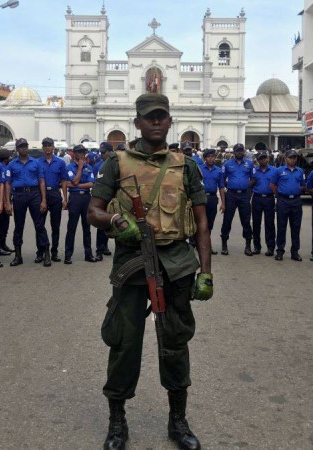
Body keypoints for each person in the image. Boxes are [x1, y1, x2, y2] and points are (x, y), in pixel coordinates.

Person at [87, 93, 212, 450]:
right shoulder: (116, 162)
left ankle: (178, 420)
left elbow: (202, 222)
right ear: (137, 122)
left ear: (170, 121)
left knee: (175, 342)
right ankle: (116, 421)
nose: (156, 122)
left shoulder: (185, 165)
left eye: (162, 116)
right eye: (149, 117)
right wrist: (114, 219)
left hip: (175, 263)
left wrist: (206, 272)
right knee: (124, 343)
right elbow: (92, 211)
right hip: (131, 263)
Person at [5, 138, 51, 267]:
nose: (23, 148)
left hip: (34, 194)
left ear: (28, 147)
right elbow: (7, 184)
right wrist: (7, 202)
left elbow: (42, 181)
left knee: (39, 225)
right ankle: (18, 256)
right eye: (20, 146)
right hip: (19, 195)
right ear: (17, 149)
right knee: (18, 226)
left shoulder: (36, 164)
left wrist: (43, 200)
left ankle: (46, 254)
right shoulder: (11, 165)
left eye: (25, 146)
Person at [63, 145, 98, 264]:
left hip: (86, 198)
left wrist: (76, 185)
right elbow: (75, 180)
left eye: (84, 152)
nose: (82, 154)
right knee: (71, 227)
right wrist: (80, 168)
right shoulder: (69, 167)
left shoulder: (89, 167)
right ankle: (68, 255)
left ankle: (88, 254)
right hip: (75, 198)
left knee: (87, 228)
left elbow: (91, 184)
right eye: (80, 152)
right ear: (75, 154)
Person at [270, 149, 306, 261]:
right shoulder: (279, 171)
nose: (293, 159)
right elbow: (272, 185)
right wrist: (279, 195)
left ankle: (295, 252)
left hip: (296, 201)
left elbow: (303, 185)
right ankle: (280, 251)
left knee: (296, 227)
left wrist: (295, 190)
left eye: (294, 157)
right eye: (290, 157)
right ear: (285, 159)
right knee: (281, 227)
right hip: (283, 201)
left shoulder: (300, 171)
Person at [220, 143, 254, 256]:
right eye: (238, 151)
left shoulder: (249, 164)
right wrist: (231, 185)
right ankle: (224, 245)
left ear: (244, 152)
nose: (240, 152)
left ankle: (248, 246)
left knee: (246, 220)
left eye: (241, 150)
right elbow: (222, 179)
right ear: (234, 152)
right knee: (227, 220)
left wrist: (246, 185)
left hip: (244, 195)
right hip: (231, 195)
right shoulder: (227, 164)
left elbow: (254, 178)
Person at [39, 137, 67, 262]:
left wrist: (65, 198)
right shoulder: (37, 162)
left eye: (49, 145)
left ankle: (54, 252)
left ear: (53, 147)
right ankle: (40, 251)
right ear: (43, 148)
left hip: (55, 194)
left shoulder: (60, 162)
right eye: (45, 145)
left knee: (55, 226)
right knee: (40, 225)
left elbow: (64, 181)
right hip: (41, 196)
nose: (48, 148)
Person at [250, 150, 277, 256]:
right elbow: (250, 184)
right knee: (256, 223)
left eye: (264, 158)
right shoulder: (254, 171)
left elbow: (277, 185)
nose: (263, 160)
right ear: (258, 160)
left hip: (269, 199)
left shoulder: (274, 171)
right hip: (257, 198)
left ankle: (270, 247)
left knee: (269, 223)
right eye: (260, 158)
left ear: (268, 158)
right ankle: (257, 247)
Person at [199, 148, 225, 255]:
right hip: (201, 198)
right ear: (205, 158)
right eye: (208, 157)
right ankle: (198, 245)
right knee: (200, 223)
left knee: (210, 224)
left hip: (213, 199)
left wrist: (223, 203)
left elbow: (221, 187)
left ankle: (208, 246)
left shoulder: (219, 171)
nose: (211, 158)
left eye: (213, 156)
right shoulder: (199, 169)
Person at [94, 142, 114, 260]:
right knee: (101, 224)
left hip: (113, 198)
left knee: (111, 223)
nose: (101, 154)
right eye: (100, 152)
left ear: (110, 151)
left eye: (103, 152)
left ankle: (106, 246)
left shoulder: (116, 164)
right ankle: (99, 250)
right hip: (102, 197)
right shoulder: (98, 165)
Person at [0, 147, 15, 257]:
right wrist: (5, 203)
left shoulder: (4, 167)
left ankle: (3, 244)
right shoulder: (2, 168)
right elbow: (3, 185)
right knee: (0, 225)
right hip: (1, 200)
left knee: (5, 224)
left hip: (4, 199)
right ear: (6, 159)